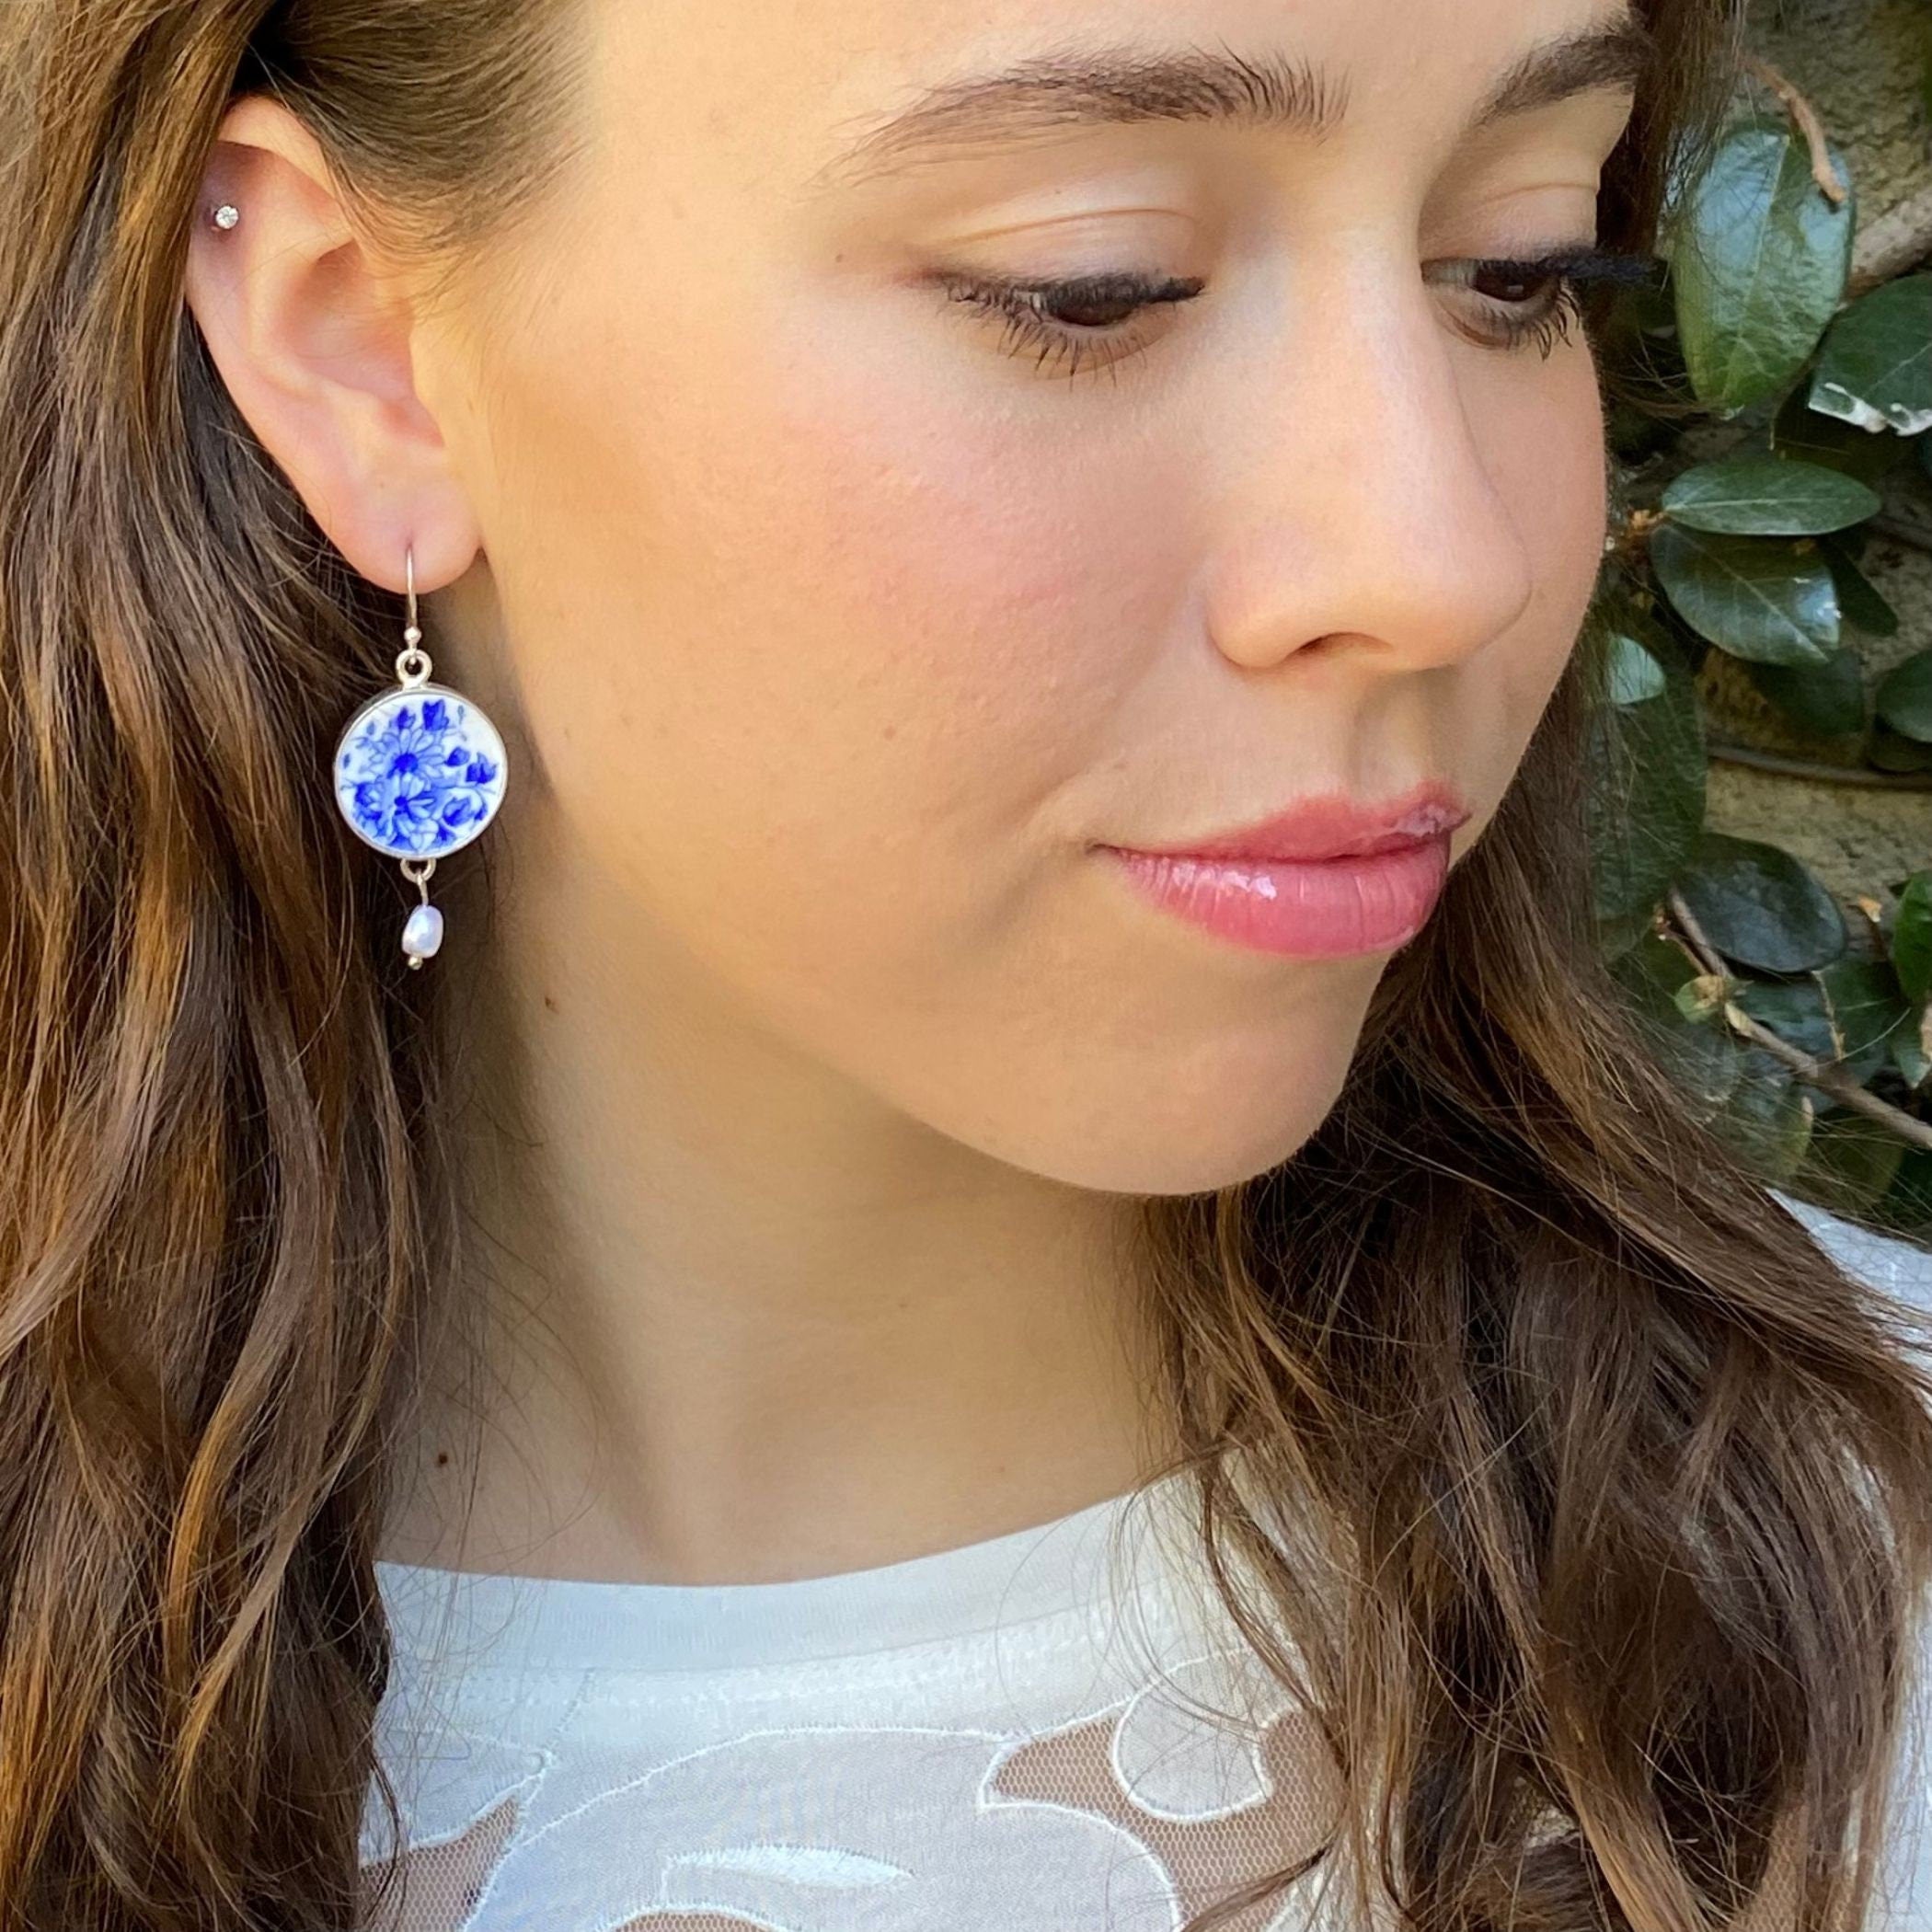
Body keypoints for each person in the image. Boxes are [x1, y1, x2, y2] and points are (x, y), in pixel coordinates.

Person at [0, 0, 1928, 1926]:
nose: (1440, 560)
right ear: (361, 349)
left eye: (1517, 267)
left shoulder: (1873, 1608)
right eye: (1095, 285)